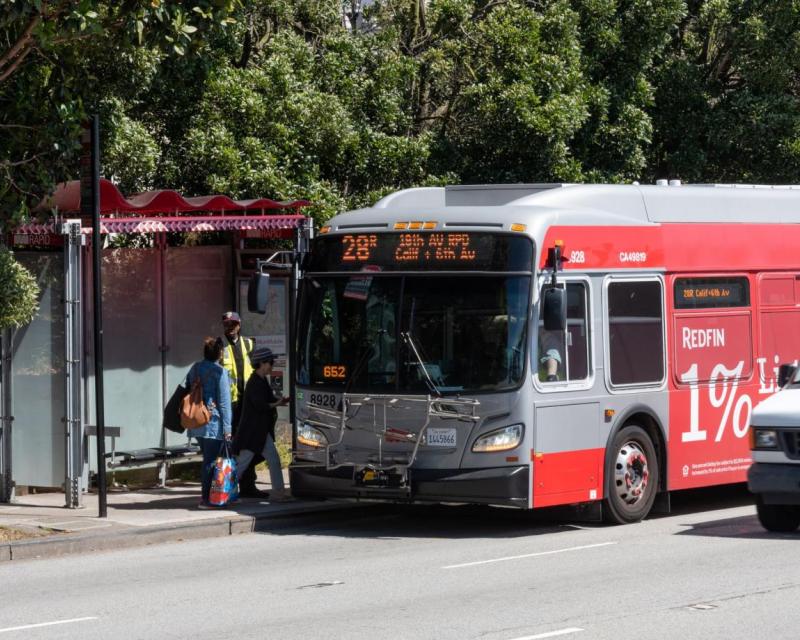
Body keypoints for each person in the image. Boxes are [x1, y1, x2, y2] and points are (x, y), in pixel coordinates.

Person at [234, 347, 291, 502]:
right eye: (270, 362)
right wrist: (277, 403)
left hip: (258, 431)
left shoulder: (260, 380)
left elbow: (268, 399)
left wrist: (280, 401)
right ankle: (224, 491)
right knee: (242, 464)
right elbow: (260, 405)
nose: (272, 366)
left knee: (270, 459)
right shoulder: (254, 383)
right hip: (253, 432)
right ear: (262, 363)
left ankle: (279, 493)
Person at [218, 310, 263, 497]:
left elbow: (257, 371)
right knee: (233, 446)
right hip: (231, 404)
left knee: (249, 443)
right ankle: (230, 487)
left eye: (232, 324)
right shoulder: (219, 345)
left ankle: (248, 485)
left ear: (239, 325)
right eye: (226, 324)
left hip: (248, 403)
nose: (229, 328)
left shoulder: (249, 344)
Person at [185, 337, 233, 509]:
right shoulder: (220, 372)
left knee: (208, 459)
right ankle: (206, 499)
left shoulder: (195, 368)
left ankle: (215, 495)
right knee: (211, 461)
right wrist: (228, 428)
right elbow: (225, 403)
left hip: (196, 421)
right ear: (219, 353)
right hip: (213, 422)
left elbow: (189, 387)